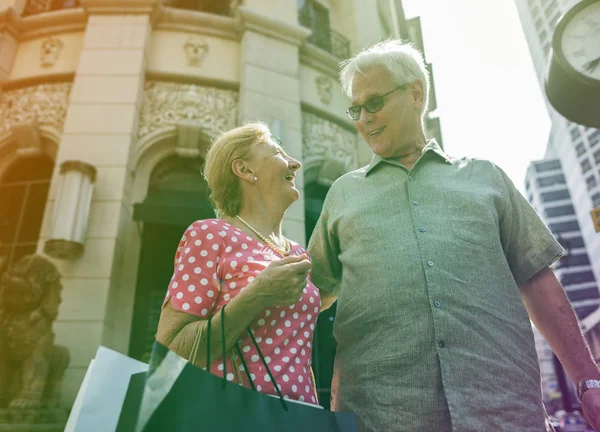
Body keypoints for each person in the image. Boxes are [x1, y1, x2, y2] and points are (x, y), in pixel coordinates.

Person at [308, 39, 600, 431]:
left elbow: (538, 281)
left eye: (374, 103)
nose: (362, 119)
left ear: (415, 93)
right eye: (355, 108)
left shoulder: (486, 177)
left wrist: (589, 380)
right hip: (381, 416)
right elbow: (312, 296)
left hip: (504, 413)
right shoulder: (342, 193)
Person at [155, 122, 320, 404]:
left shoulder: (298, 253)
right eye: (278, 153)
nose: (296, 163)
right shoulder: (210, 235)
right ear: (245, 170)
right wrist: (257, 295)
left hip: (298, 418)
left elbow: (297, 355)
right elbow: (172, 347)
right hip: (231, 415)